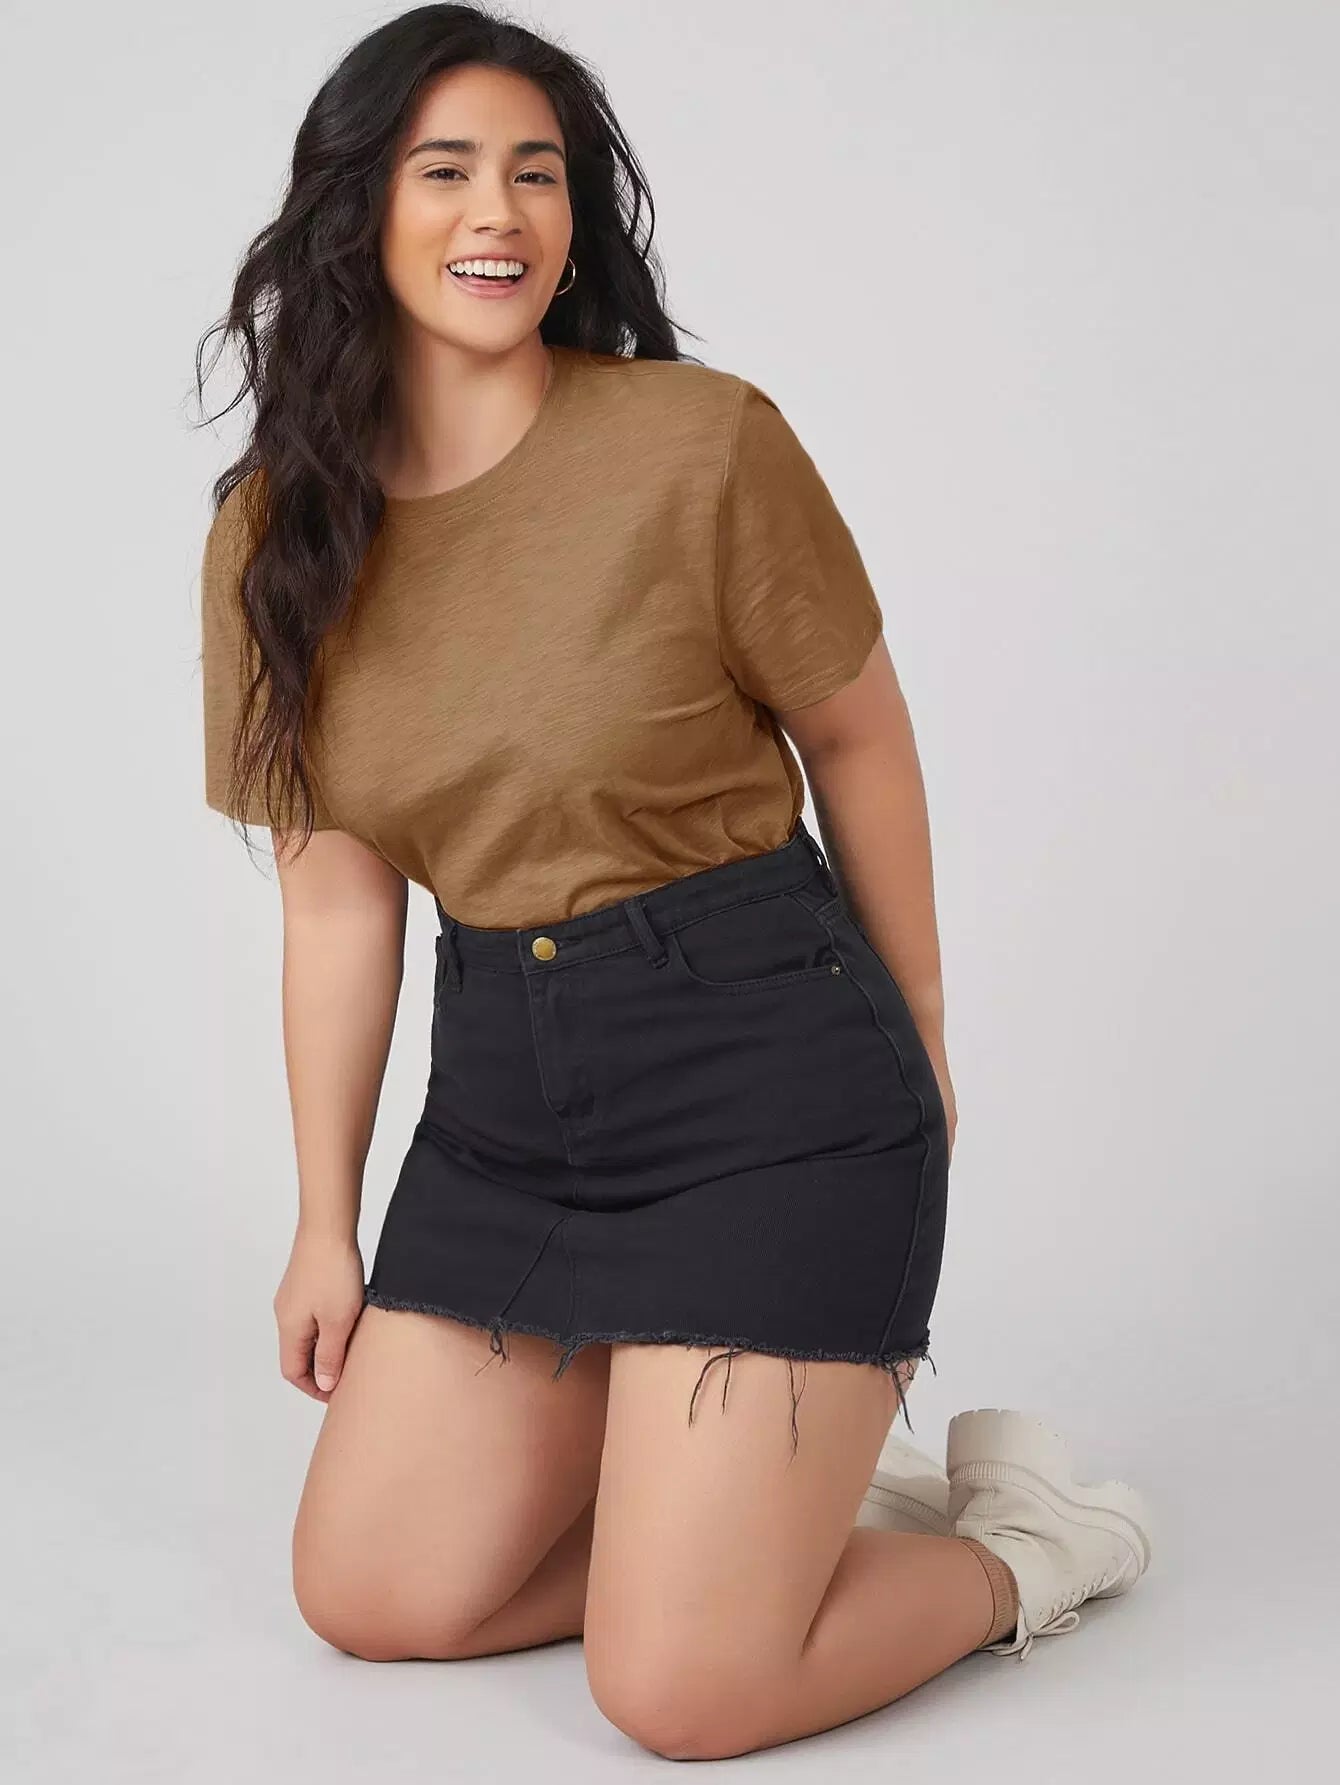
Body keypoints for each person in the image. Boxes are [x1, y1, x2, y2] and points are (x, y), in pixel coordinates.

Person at [195, 4, 1153, 1761]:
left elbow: (860, 737)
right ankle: (760, 1521)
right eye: (446, 170)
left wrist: (924, 1034)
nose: (499, 211)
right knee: (375, 1593)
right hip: (505, 1110)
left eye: (537, 172)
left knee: (683, 1688)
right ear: (357, 210)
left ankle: (1029, 1550)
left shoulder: (697, 445)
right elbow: (335, 900)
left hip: (768, 1080)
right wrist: (324, 1220)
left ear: (576, 218)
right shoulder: (279, 532)